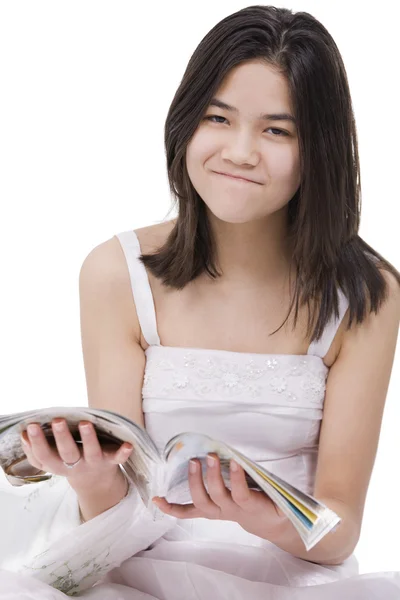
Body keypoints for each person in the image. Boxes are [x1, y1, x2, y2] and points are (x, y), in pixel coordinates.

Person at [0, 4, 399, 599]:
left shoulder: (367, 294)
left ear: (318, 150)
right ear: (186, 123)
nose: (240, 152)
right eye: (219, 117)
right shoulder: (116, 272)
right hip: (134, 566)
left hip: (289, 581)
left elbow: (338, 529)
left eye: (276, 130)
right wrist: (89, 478)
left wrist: (260, 516)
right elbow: (123, 498)